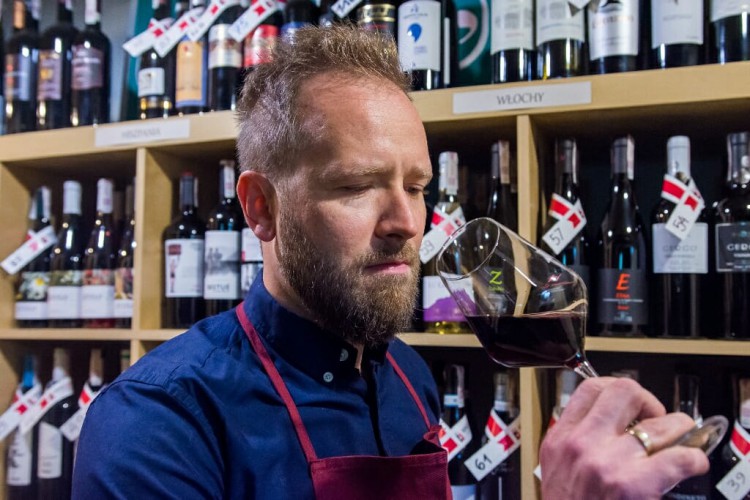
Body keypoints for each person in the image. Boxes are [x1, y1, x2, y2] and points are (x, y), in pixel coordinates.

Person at [72, 25, 708, 499]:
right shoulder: (157, 423)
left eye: (417, 187)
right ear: (261, 208)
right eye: (356, 186)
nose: (406, 222)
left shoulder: (410, 375)